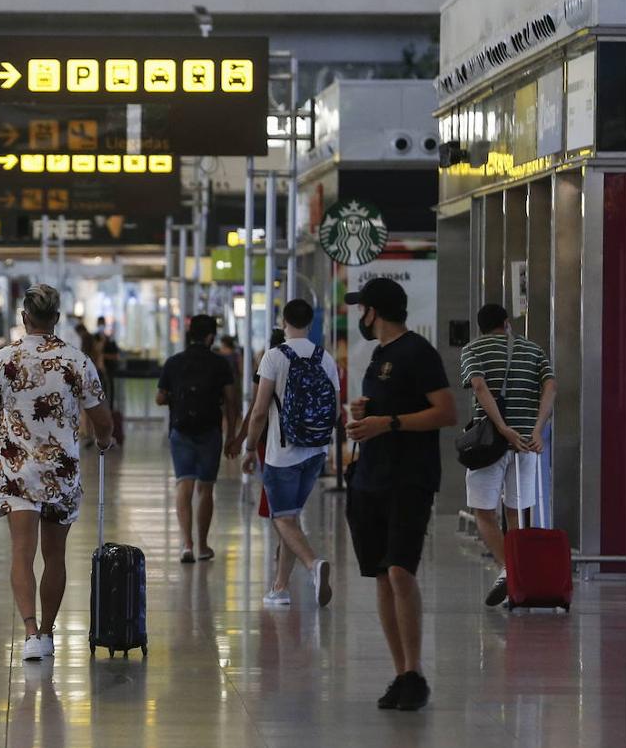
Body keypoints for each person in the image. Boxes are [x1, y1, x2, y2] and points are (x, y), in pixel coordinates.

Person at [0, 284, 113, 663]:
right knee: (55, 556)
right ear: (56, 318)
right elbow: (102, 419)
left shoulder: (2, 360)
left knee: (22, 553)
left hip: (17, 470)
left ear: (24, 317)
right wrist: (104, 440)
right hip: (61, 471)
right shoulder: (76, 361)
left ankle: (31, 633)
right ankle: (49, 632)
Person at [345, 278, 457, 712]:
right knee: (381, 573)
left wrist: (388, 423)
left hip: (409, 479)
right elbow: (391, 406)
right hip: (371, 477)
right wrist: (366, 412)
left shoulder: (418, 352)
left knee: (399, 571)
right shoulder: (379, 355)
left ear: (374, 311)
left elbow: (445, 412)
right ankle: (400, 674)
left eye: (362, 309)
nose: (360, 317)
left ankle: (415, 672)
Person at [240, 300, 340, 607]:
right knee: (291, 516)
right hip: (315, 451)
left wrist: (249, 448)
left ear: (284, 321)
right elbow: (335, 410)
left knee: (282, 518)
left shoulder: (274, 356)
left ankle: (313, 564)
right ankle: (280, 588)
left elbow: (259, 411)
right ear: (310, 323)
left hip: (282, 453)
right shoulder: (325, 358)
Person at [459, 303, 556, 607]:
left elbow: (478, 386)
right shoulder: (534, 350)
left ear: (481, 327)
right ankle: (518, 575)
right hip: (526, 443)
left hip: (489, 443)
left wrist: (502, 428)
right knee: (517, 513)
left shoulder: (473, 349)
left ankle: (511, 571)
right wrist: (537, 430)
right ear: (506, 323)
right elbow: (551, 386)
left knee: (484, 512)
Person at [155, 314, 238, 563]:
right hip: (210, 431)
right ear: (211, 337)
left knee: (184, 484)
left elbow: (159, 398)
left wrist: (175, 398)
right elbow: (231, 401)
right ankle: (202, 545)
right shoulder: (220, 363)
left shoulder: (174, 362)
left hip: (181, 430)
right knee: (205, 488)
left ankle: (187, 545)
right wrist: (232, 435)